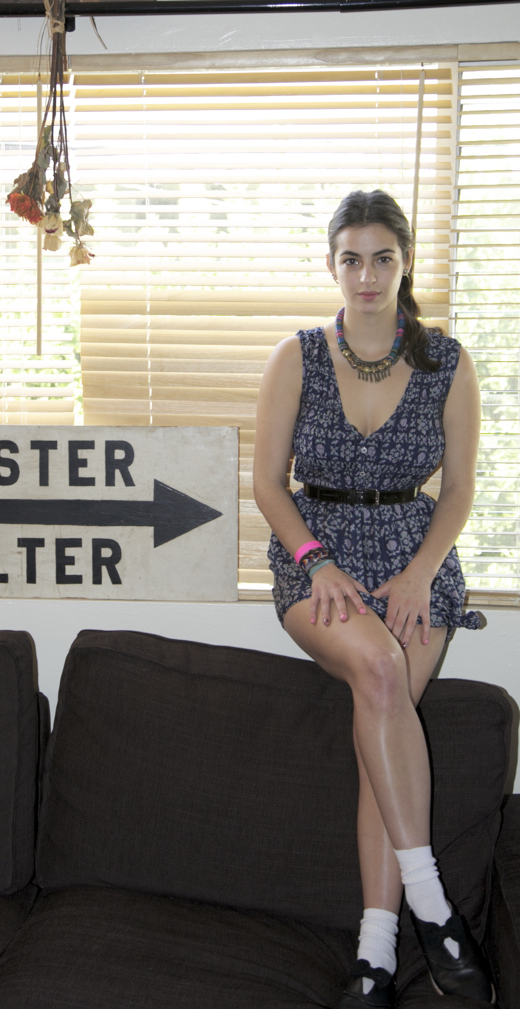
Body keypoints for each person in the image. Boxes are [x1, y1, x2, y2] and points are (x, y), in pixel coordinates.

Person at [253, 190, 494, 1008]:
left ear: (404, 263)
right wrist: (315, 562)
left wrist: (423, 571)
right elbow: (266, 484)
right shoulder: (295, 356)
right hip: (314, 555)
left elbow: (457, 489)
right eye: (350, 259)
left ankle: (373, 953)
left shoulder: (447, 362)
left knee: (377, 730)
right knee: (382, 674)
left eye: (381, 258)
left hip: (412, 558)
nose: (366, 274)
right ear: (331, 265)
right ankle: (431, 905)